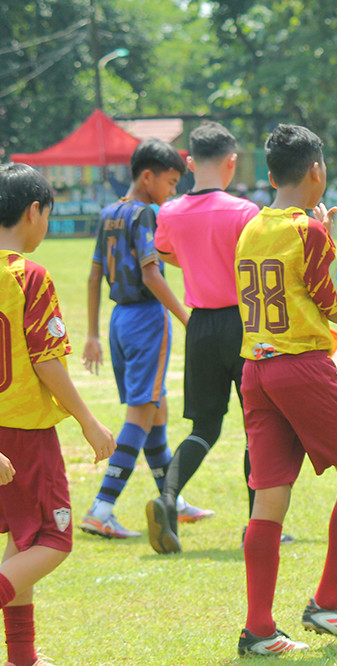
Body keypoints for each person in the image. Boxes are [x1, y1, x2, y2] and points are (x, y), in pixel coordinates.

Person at [235, 124, 337, 656]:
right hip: (301, 366)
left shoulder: (251, 227)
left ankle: (259, 629)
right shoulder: (308, 232)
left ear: (272, 176)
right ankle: (328, 603)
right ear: (316, 170)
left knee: (269, 496)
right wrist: (326, 238)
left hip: (256, 369)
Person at [0, 163, 116, 666]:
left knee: (21, 541)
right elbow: (47, 361)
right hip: (24, 433)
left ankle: (22, 657)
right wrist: (89, 422)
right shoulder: (29, 276)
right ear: (34, 211)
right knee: (52, 539)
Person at [146, 121, 275, 554]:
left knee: (204, 427)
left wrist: (199, 259)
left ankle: (168, 498)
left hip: (199, 325)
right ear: (231, 162)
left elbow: (166, 253)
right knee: (258, 426)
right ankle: (257, 527)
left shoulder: (170, 212)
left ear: (188, 162)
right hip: (243, 324)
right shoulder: (244, 212)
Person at [79, 139, 200, 539]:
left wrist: (93, 334)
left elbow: (94, 275)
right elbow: (151, 273)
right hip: (147, 319)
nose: (172, 191)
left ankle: (171, 498)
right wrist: (186, 318)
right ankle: (102, 508)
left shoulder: (109, 212)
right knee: (142, 412)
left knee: (156, 411)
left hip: (119, 321)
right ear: (147, 177)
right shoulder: (145, 213)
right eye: (170, 182)